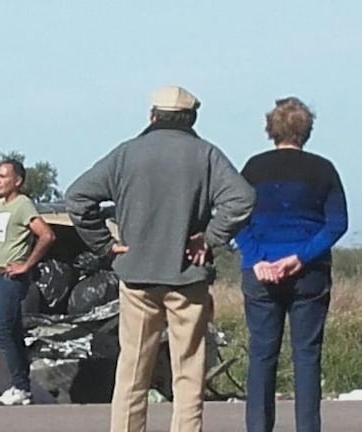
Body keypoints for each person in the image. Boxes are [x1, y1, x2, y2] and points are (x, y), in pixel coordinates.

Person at [65, 86, 255, 432]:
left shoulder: (127, 154)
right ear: (191, 118)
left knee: (133, 371)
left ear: (152, 116)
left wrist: (105, 245)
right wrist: (209, 238)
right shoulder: (206, 154)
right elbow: (242, 199)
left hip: (137, 277)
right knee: (188, 372)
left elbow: (77, 198)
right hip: (187, 278)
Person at [235, 97, 347, 432]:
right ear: (306, 131)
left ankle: (258, 427)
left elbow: (237, 218)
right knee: (307, 355)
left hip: (260, 272)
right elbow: (336, 223)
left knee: (261, 356)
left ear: (271, 130)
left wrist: (256, 259)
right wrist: (301, 256)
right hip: (308, 273)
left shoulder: (253, 168)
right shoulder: (323, 169)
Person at [0, 159, 56, 406]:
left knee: (1, 331)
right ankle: (22, 386)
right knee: (13, 332)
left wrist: (26, 265)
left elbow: (47, 235)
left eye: (3, 176)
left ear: (18, 180)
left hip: (11, 278)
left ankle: (20, 387)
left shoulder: (23, 205)